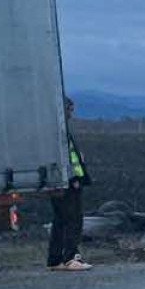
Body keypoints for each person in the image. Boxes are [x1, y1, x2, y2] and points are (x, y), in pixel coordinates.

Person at [47, 96, 91, 271]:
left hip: (59, 181)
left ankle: (55, 259)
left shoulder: (53, 129)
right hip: (68, 183)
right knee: (73, 219)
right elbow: (66, 158)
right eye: (70, 109)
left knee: (60, 221)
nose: (71, 113)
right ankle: (70, 257)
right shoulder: (60, 132)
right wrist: (73, 179)